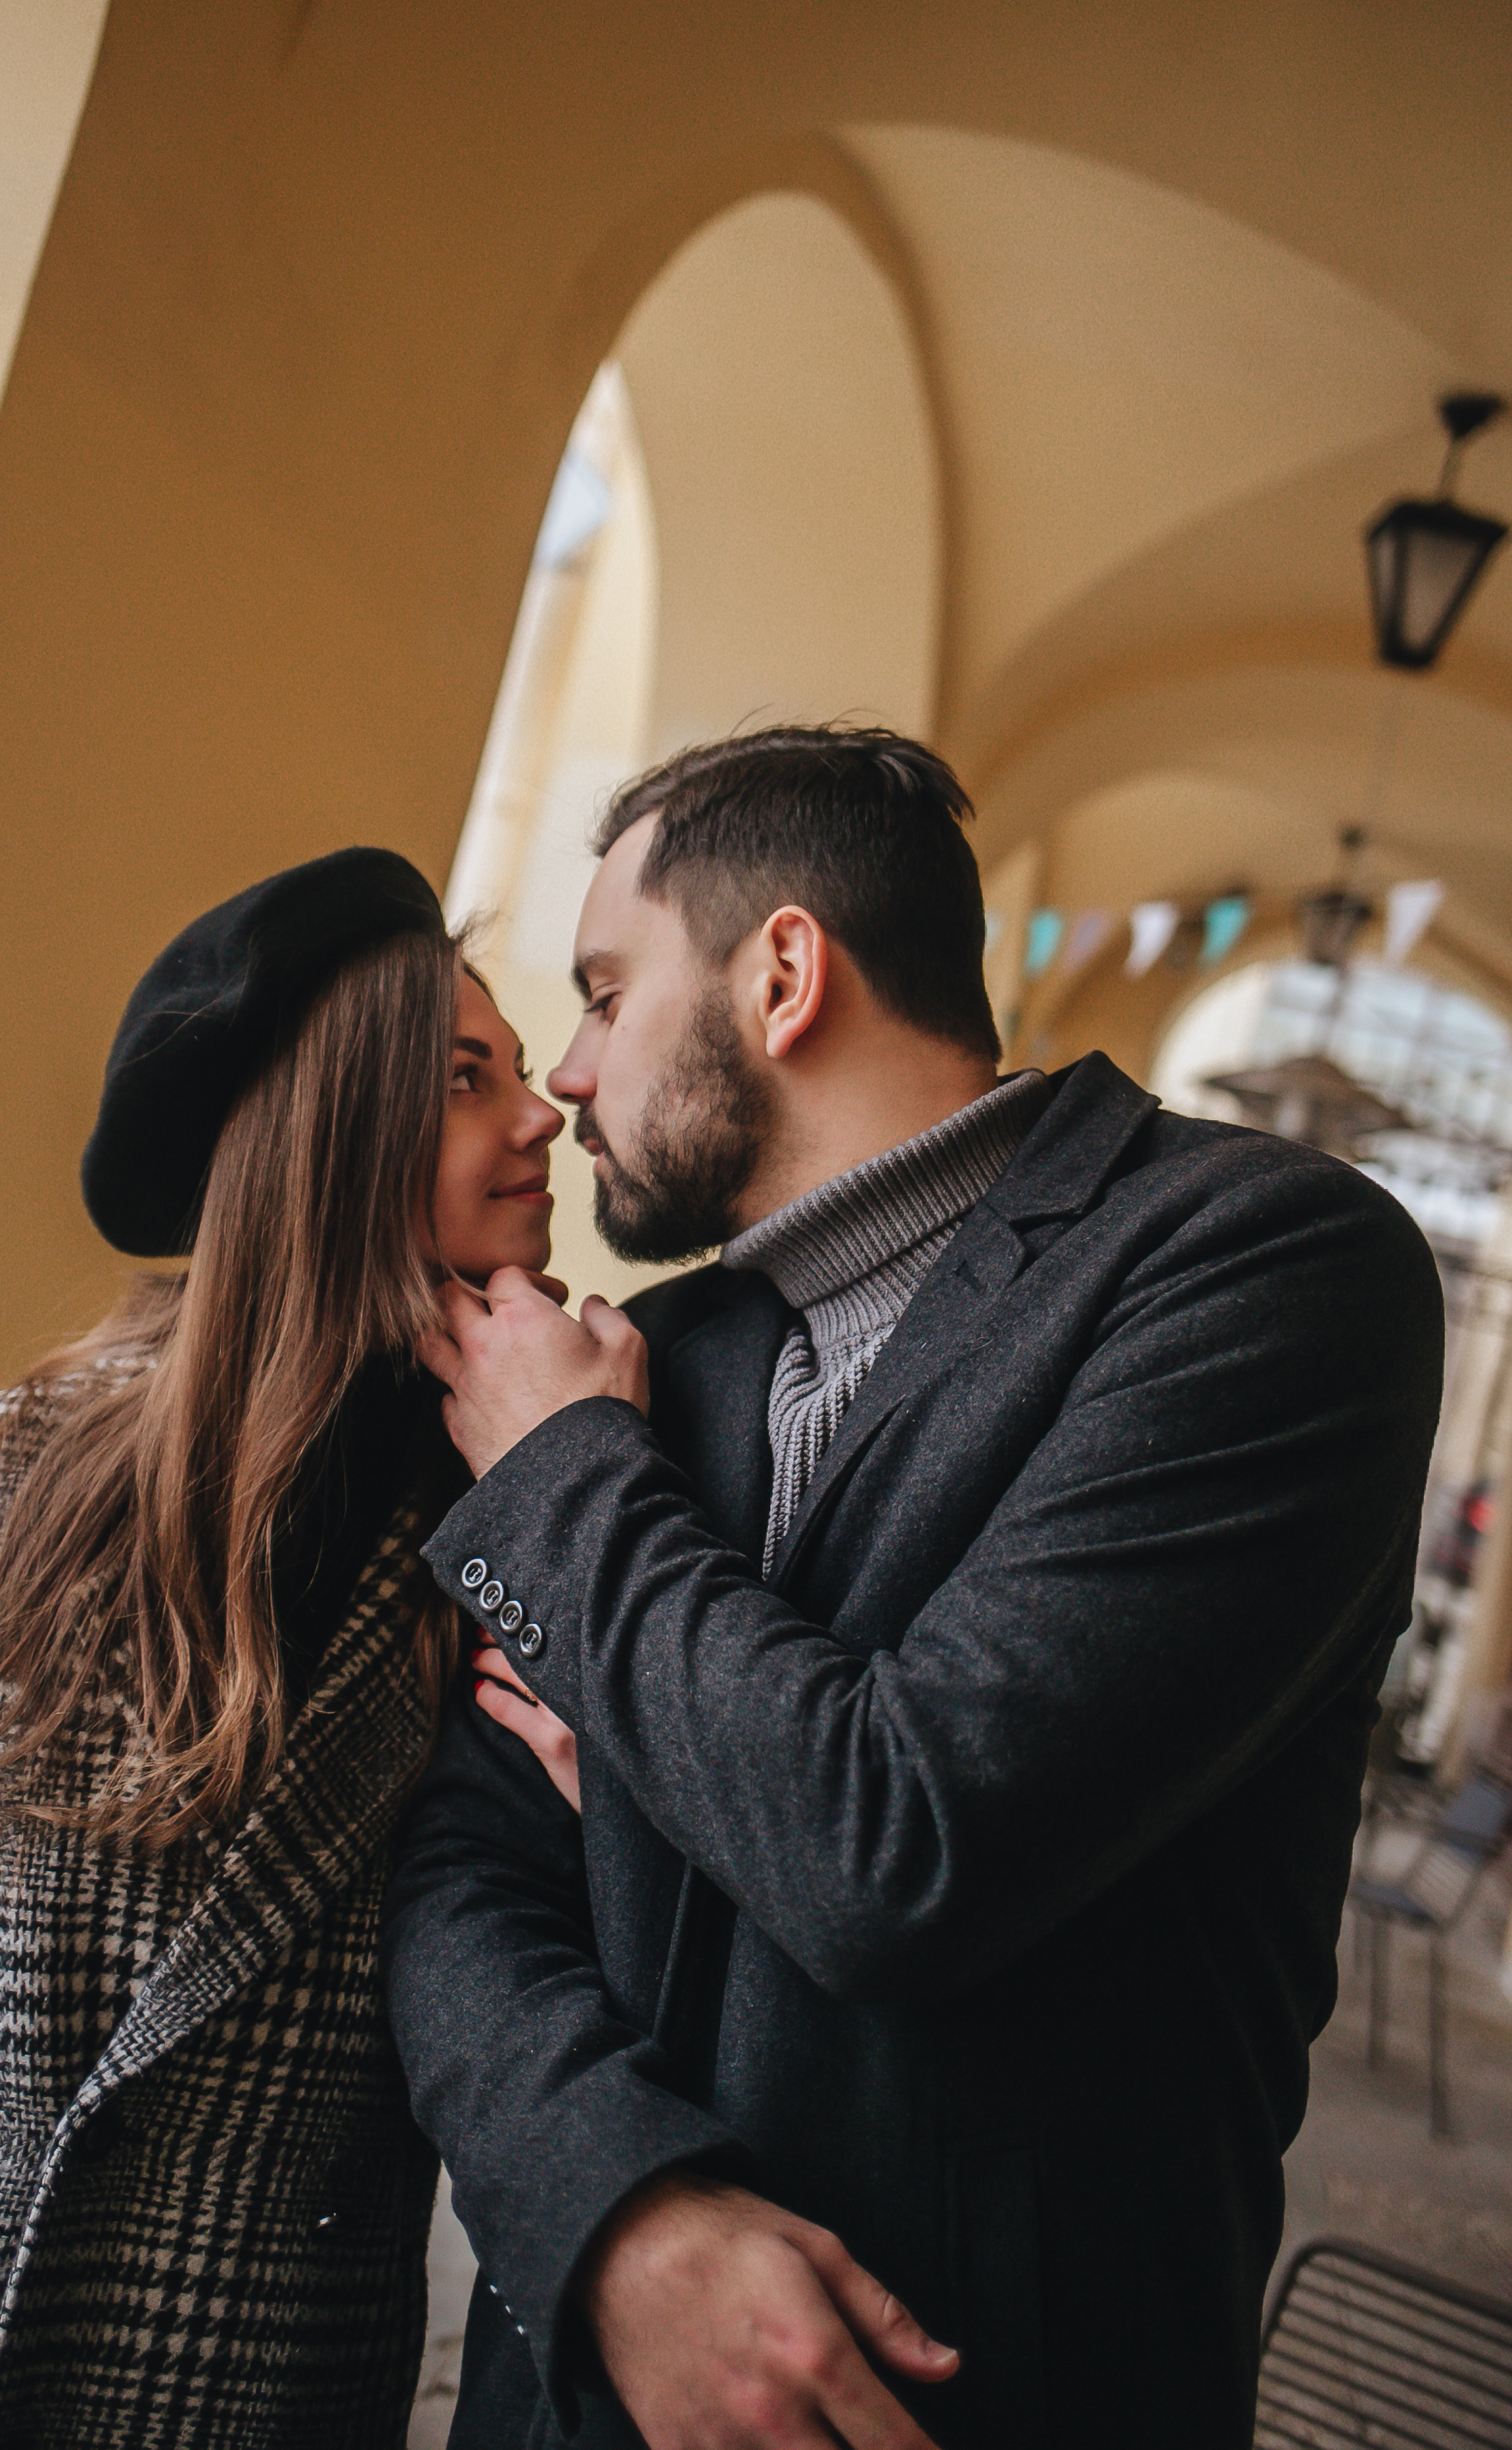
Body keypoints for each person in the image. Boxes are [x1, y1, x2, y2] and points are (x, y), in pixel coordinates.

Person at [387, 728, 1446, 2450]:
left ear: (783, 975)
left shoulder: (1263, 1270)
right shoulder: (639, 1356)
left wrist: (571, 1511)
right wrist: (620, 2215)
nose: (565, 1077)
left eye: (599, 990)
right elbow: (456, 1875)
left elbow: (900, 1849)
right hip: (564, 2393)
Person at [0, 846, 563, 2450]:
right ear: (331, 1135)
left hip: (245, 2392)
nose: (542, 1119)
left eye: (528, 1074)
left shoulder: (524, 1526)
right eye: (473, 1077)